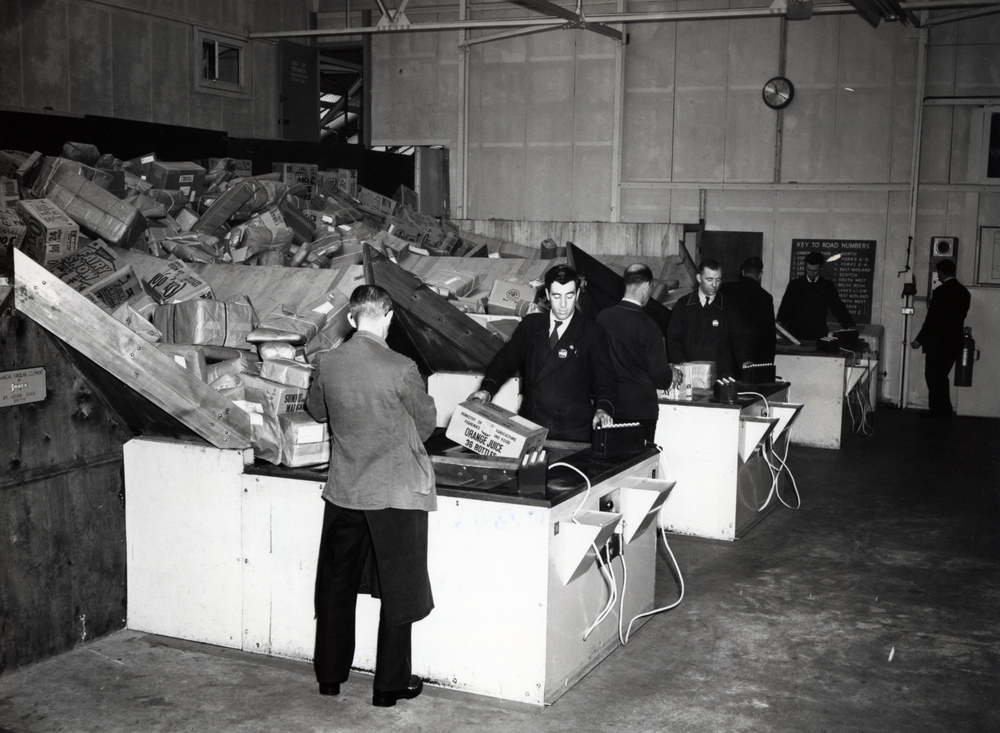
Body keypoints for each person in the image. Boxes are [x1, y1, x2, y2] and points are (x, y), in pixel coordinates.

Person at [306, 284, 438, 708]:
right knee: (398, 593)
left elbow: (316, 411)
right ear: (388, 316)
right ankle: (388, 687)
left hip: (345, 491)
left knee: (336, 587)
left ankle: (330, 677)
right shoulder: (402, 367)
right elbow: (427, 423)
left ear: (350, 318)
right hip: (395, 494)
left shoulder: (327, 362)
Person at [469, 264, 616, 442]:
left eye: (569, 296)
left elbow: (606, 379)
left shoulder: (592, 332)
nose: (563, 305)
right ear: (547, 295)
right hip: (531, 425)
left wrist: (603, 409)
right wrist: (487, 389)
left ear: (577, 294)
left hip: (572, 431)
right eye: (556, 296)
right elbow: (506, 360)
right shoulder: (531, 325)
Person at [596, 264, 680, 442]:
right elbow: (661, 378)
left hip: (609, 407)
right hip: (640, 410)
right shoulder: (649, 325)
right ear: (646, 286)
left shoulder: (603, 317)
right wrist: (671, 373)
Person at [666, 259, 751, 379]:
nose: (714, 285)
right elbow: (674, 340)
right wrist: (682, 366)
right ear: (699, 278)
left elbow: (740, 338)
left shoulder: (728, 306)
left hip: (722, 375)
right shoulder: (683, 305)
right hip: (690, 374)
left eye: (718, 280)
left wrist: (745, 360)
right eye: (709, 279)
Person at [910, 259, 971, 419]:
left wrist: (919, 340)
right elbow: (961, 316)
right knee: (941, 376)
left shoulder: (940, 292)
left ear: (941, 273)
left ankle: (938, 411)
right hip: (953, 342)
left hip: (937, 343)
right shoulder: (964, 292)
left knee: (933, 376)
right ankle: (943, 411)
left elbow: (932, 320)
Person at [776, 250, 856, 341]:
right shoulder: (795, 285)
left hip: (818, 336)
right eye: (808, 270)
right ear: (805, 267)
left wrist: (850, 325)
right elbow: (785, 308)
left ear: (821, 268)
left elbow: (838, 308)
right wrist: (780, 321)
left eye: (814, 271)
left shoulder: (827, 286)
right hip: (795, 335)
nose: (811, 273)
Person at [719, 256, 776, 364]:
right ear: (760, 274)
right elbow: (769, 337)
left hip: (728, 355)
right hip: (754, 357)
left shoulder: (726, 289)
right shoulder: (766, 297)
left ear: (743, 272)